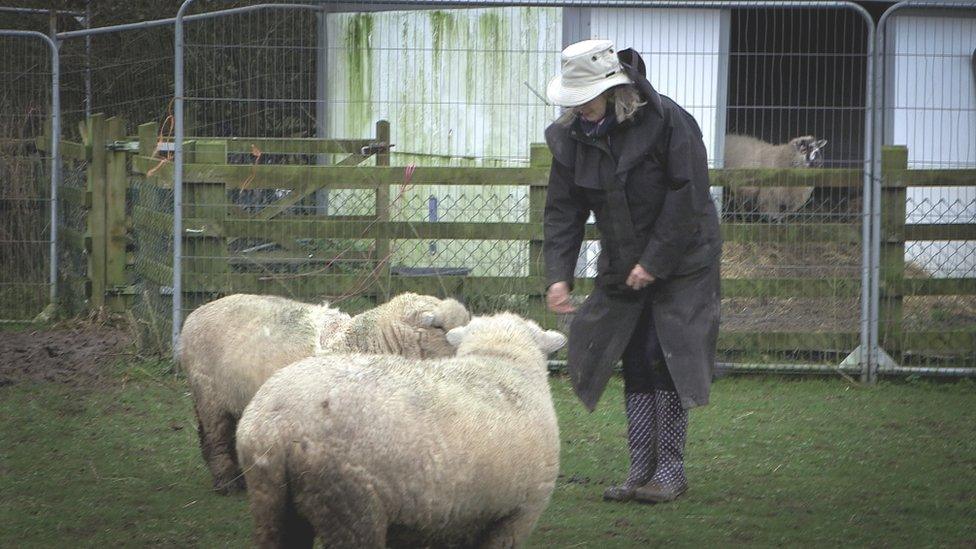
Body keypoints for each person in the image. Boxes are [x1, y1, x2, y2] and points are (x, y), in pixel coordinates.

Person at [543, 39, 721, 504]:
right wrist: (558, 275)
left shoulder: (670, 123)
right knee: (634, 356)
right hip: (624, 258)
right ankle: (640, 468)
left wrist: (654, 261)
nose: (580, 107)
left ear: (613, 90)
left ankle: (671, 470)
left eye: (586, 98)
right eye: (574, 99)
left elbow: (688, 196)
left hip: (683, 257)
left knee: (664, 352)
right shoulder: (571, 137)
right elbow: (563, 211)